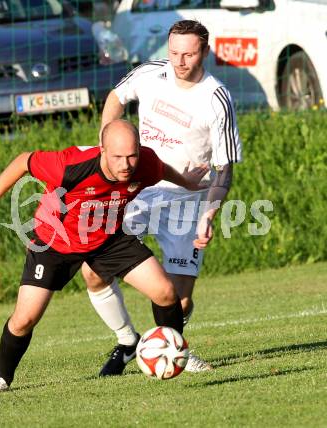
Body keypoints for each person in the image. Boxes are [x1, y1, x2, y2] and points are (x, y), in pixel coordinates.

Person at [0, 119, 208, 396]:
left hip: (108, 238)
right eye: (118, 157)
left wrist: (187, 182)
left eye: (132, 155)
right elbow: (25, 160)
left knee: (166, 292)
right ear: (102, 149)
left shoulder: (145, 163)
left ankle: (177, 351)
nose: (126, 165)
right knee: (24, 320)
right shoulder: (70, 165)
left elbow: (160, 169)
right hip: (54, 241)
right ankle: (1, 378)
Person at [81, 19, 242, 376]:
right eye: (173, 53)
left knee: (178, 300)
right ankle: (126, 343)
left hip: (186, 200)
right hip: (136, 189)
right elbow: (116, 98)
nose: (179, 61)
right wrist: (107, 146)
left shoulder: (217, 99)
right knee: (93, 270)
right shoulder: (150, 73)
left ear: (205, 51)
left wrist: (210, 214)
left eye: (188, 54)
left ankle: (171, 351)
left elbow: (224, 171)